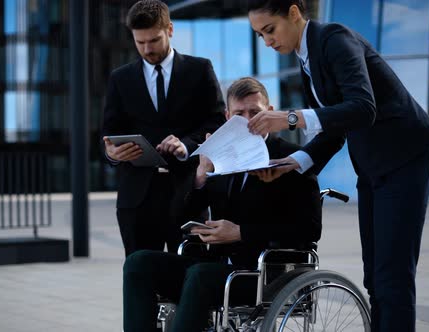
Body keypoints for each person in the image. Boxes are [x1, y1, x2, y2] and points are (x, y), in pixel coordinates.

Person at [245, 1, 429, 331]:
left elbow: (364, 108)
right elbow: (335, 128)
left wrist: (290, 118)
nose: (267, 41)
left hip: (406, 160)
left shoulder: (334, 39)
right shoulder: (306, 58)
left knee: (392, 277)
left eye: (270, 30)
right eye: (259, 35)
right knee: (375, 277)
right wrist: (293, 163)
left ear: (294, 13)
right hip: (373, 167)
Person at [122, 77, 322, 332]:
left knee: (200, 276)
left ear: (270, 113)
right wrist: (200, 175)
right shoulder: (220, 156)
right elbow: (176, 218)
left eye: (256, 113)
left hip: (267, 272)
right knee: (139, 263)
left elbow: (309, 229)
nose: (248, 121)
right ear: (227, 117)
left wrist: (240, 232)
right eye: (239, 114)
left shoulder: (292, 159)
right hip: (216, 267)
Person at [101, 0, 226, 257]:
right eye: (140, 42)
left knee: (191, 279)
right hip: (137, 199)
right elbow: (108, 134)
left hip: (188, 194)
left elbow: (217, 123)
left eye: (154, 40)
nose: (147, 49)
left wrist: (186, 145)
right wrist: (112, 155)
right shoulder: (120, 78)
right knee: (141, 281)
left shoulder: (199, 69)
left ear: (170, 29)